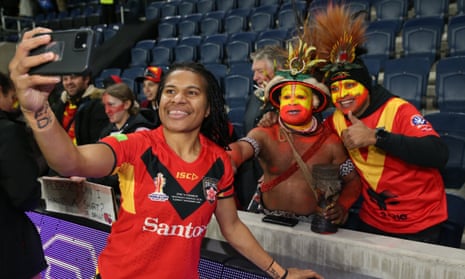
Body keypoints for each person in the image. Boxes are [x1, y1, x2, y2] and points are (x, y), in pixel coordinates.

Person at [10, 27, 324, 279]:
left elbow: (232, 227)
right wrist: (38, 111)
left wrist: (280, 274)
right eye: (170, 91)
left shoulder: (219, 162)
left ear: (208, 108)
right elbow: (70, 161)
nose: (177, 99)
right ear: (158, 103)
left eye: (192, 92)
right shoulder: (134, 145)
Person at [310, 4, 448, 243]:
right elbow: (313, 143)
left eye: (350, 85)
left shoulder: (398, 110)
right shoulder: (335, 120)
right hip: (372, 221)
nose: (342, 94)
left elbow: (438, 153)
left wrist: (376, 137)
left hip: (420, 224)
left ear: (367, 85)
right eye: (335, 88)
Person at [228, 39, 361, 225]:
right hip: (266, 221)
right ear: (279, 103)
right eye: (286, 97)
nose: (292, 102)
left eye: (300, 96)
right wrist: (227, 159)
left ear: (313, 103)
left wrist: (343, 206)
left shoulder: (331, 143)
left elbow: (353, 182)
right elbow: (242, 148)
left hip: (312, 227)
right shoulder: (265, 133)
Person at [0, 71, 47, 279]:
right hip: (10, 246)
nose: (14, 103)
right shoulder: (8, 131)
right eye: (11, 97)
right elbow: (24, 194)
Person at [51, 72, 109, 146]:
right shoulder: (62, 103)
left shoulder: (99, 104)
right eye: (65, 79)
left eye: (73, 78)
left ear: (86, 79)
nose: (69, 82)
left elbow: (96, 141)